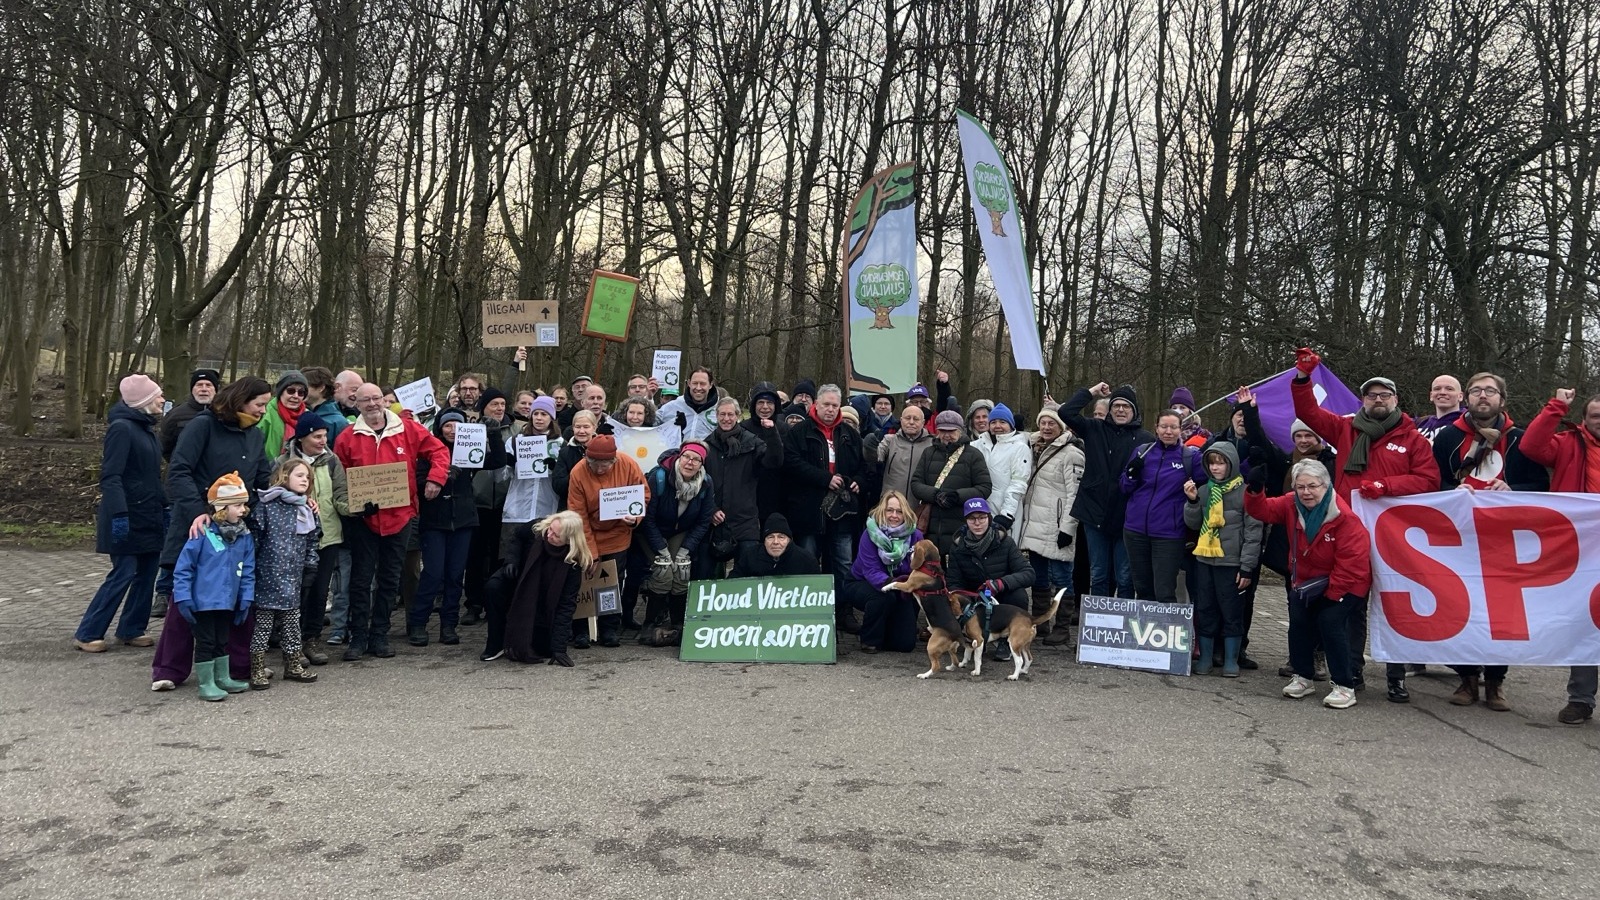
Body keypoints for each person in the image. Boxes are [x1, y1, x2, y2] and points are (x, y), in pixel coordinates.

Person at [1291, 348, 1439, 700]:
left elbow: (1429, 480)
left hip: (1394, 536)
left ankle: (1396, 676)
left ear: (1396, 400)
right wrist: (1302, 378)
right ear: (1363, 400)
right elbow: (1307, 412)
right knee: (1350, 604)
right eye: (1371, 395)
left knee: (1394, 604)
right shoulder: (1345, 428)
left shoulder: (1412, 439)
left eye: (1384, 395)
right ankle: (1352, 671)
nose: (1377, 400)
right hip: (1346, 534)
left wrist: (1386, 486)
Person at [332, 382, 450, 660]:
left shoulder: (408, 429)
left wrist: (436, 478)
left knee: (389, 579)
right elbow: (339, 478)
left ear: (384, 401)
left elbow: (439, 452)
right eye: (365, 400)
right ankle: (358, 636)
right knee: (360, 581)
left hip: (400, 517)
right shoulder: (347, 437)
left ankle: (380, 635)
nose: (372, 404)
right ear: (356, 404)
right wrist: (350, 505)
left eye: (376, 398)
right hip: (364, 519)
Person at [1243, 459, 1372, 709]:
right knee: (1299, 622)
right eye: (1300, 486)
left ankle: (1345, 685)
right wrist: (1255, 489)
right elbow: (1262, 511)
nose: (1306, 492)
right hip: (1306, 581)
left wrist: (1331, 595)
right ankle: (1303, 676)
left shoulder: (1344, 517)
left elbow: (1353, 562)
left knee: (1330, 622)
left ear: (1325, 486)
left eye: (1312, 486)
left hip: (1346, 583)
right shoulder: (1292, 504)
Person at [1520, 386, 1600, 725]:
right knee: (1587, 622)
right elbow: (1531, 445)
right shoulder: (1568, 443)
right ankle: (1581, 699)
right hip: (1581, 549)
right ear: (1583, 421)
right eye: (1596, 416)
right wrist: (1555, 406)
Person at [75, 375, 168, 652]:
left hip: (149, 514)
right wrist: (119, 515)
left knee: (148, 572)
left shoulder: (147, 430)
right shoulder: (122, 429)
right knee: (124, 572)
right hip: (126, 516)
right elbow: (111, 476)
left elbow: (151, 477)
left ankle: (131, 628)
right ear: (143, 401)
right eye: (157, 395)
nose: (162, 400)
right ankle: (88, 632)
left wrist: (164, 507)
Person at [409, 409, 506, 646]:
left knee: (454, 575)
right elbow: (417, 480)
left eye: (456, 425)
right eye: (447, 425)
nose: (452, 430)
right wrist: (440, 475)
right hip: (435, 520)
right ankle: (418, 623)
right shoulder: (427, 451)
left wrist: (493, 435)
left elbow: (497, 461)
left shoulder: (468, 450)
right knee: (432, 574)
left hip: (463, 519)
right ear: (439, 428)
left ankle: (448, 625)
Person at [1061, 383, 1153, 598]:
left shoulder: (1146, 440)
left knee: (1124, 576)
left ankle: (1124, 624)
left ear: (1135, 411)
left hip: (1127, 517)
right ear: (1110, 409)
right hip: (1094, 513)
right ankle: (1098, 623)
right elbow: (1066, 412)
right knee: (1099, 573)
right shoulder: (1094, 428)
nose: (1120, 410)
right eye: (1116, 405)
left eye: (1126, 406)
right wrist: (1091, 392)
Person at [169, 473, 255, 701]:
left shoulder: (244, 537)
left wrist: (245, 597)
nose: (243, 510)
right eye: (237, 505)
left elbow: (247, 570)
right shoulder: (201, 534)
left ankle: (222, 677)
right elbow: (184, 568)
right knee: (206, 641)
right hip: (203, 601)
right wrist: (183, 597)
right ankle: (206, 682)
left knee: (222, 640)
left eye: (243, 504)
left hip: (228, 600)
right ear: (222, 508)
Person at [1182, 443, 1262, 676]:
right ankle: (1205, 658)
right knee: (1205, 608)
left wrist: (1247, 568)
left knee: (1231, 611)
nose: (1216, 468)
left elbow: (1253, 534)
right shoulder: (1204, 490)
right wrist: (1193, 502)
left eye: (1221, 462)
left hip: (1232, 563)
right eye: (1212, 463)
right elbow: (1193, 525)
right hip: (1205, 560)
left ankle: (1231, 660)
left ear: (1232, 463)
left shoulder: (1246, 493)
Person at [566, 433, 648, 647]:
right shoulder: (578, 472)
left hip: (617, 536)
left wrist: (634, 519)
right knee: (583, 582)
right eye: (595, 465)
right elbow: (578, 515)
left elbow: (643, 495)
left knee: (611, 583)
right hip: (586, 533)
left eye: (605, 465)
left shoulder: (628, 464)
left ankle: (609, 629)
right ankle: (581, 630)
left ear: (614, 460)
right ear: (587, 459)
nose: (600, 469)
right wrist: (590, 552)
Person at [246, 459, 322, 688]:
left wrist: (311, 565)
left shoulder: (306, 508)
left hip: (293, 575)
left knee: (292, 622)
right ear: (284, 476)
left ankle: (292, 664)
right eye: (299, 475)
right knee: (264, 624)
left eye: (307, 477)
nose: (304, 480)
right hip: (268, 575)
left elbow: (313, 539)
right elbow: (255, 541)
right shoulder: (267, 506)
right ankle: (257, 667)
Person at [278, 412, 347, 665]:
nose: (323, 440)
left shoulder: (332, 461)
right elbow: (276, 494)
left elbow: (340, 495)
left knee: (319, 591)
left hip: (326, 536)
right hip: (293, 539)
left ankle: (311, 639)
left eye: (325, 435)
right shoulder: (283, 461)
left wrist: (357, 508)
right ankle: (291, 643)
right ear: (303, 436)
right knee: (296, 592)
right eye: (317, 436)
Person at [782, 385, 864, 595]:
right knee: (807, 561)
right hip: (808, 509)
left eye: (834, 405)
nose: (830, 409)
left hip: (842, 512)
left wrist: (858, 481)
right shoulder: (799, 432)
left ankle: (843, 609)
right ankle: (807, 610)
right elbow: (791, 463)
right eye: (826, 404)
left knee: (843, 563)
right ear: (816, 404)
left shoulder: (850, 434)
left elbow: (864, 467)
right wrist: (824, 479)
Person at [1014, 407, 1086, 644]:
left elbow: (1075, 494)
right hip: (1035, 523)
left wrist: (1068, 527)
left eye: (1051, 423)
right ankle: (1041, 622)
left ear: (1061, 426)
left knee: (1063, 577)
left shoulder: (1072, 454)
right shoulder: (1034, 448)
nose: (1046, 427)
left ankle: (1062, 627)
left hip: (1057, 526)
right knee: (1039, 577)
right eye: (1042, 423)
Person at [489, 511, 592, 666]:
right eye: (551, 528)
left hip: (543, 604)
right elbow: (516, 535)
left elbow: (566, 605)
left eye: (556, 536)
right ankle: (495, 644)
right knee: (493, 587)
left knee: (542, 648)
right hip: (520, 577)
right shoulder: (538, 528)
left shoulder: (573, 564)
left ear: (568, 541)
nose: (549, 535)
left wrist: (559, 649)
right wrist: (511, 560)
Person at [1119, 409, 1201, 603]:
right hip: (1135, 530)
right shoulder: (1142, 452)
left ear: (1180, 430)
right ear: (1156, 428)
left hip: (1168, 535)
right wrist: (1131, 474)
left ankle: (1166, 631)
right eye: (1164, 426)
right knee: (1143, 588)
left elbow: (1212, 478)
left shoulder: (1189, 458)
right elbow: (1124, 487)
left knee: (1164, 590)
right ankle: (1143, 632)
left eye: (1173, 427)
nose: (1168, 431)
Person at [638, 441, 716, 635]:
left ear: (702, 464)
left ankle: (678, 623)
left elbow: (704, 521)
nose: (690, 463)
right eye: (686, 457)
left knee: (682, 570)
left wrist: (685, 550)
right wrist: (661, 550)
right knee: (663, 570)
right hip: (651, 529)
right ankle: (650, 623)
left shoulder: (706, 483)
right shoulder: (660, 477)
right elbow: (647, 518)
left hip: (680, 530)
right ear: (680, 457)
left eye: (696, 459)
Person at [945, 497, 1035, 661]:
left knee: (1018, 595)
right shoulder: (957, 547)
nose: (977, 523)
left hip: (1000, 595)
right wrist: (968, 597)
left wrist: (1001, 583)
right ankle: (973, 636)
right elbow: (953, 583)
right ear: (966, 521)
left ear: (989, 518)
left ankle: (1006, 641)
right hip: (974, 599)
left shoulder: (1005, 542)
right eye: (972, 518)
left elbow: (1028, 573)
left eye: (982, 517)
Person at [704, 397, 783, 564]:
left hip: (745, 520)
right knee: (706, 575)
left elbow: (774, 461)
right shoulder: (707, 445)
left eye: (730, 414)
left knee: (747, 573)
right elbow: (701, 484)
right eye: (722, 414)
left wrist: (772, 434)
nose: (726, 419)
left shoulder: (752, 442)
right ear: (716, 416)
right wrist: (711, 509)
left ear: (738, 416)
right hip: (715, 520)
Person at [842, 491, 922, 653]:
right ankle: (869, 639)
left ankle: (889, 630)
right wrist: (894, 584)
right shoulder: (869, 534)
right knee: (882, 597)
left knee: (905, 645)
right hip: (862, 582)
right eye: (889, 510)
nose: (894, 515)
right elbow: (871, 570)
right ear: (882, 511)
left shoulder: (916, 536)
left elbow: (917, 567)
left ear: (906, 512)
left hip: (900, 585)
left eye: (899, 511)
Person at [909, 410, 992, 559]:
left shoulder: (973, 455)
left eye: (951, 431)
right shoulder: (928, 453)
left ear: (960, 430)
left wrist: (957, 496)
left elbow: (984, 487)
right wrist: (935, 495)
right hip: (931, 526)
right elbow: (916, 483)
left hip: (961, 524)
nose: (947, 435)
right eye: (942, 431)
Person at [501, 395, 565, 559]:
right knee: (512, 561)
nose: (539, 418)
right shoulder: (516, 441)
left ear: (551, 417)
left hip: (546, 511)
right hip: (517, 511)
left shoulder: (560, 444)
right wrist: (509, 463)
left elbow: (564, 479)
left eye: (544, 414)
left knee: (539, 561)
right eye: (535, 414)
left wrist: (555, 469)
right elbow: (501, 477)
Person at [972, 403, 1029, 532]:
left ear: (1010, 424)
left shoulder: (1019, 447)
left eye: (1002, 422)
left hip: (1006, 511)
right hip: (981, 510)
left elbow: (1018, 483)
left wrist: (1007, 514)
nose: (997, 426)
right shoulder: (978, 445)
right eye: (993, 422)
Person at [742, 382, 789, 525]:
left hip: (778, 495)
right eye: (760, 402)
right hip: (749, 494)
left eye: (769, 402)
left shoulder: (785, 429)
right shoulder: (743, 428)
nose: (765, 407)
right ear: (754, 405)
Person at [731, 514, 820, 577]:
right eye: (770, 537)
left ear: (789, 540)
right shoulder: (750, 556)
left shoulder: (806, 560)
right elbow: (732, 584)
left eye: (781, 537)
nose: (776, 542)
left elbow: (819, 590)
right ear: (764, 541)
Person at [159, 368, 219, 460]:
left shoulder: (225, 414)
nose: (204, 389)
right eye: (199, 385)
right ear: (192, 389)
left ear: (215, 390)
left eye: (208, 385)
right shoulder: (176, 415)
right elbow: (165, 446)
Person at [658, 367, 722, 440]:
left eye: (702, 384)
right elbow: (648, 421)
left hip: (707, 451)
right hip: (678, 451)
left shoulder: (719, 408)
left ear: (710, 385)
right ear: (689, 383)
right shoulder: (674, 405)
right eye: (695, 383)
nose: (698, 388)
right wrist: (648, 397)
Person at [259, 370, 311, 458]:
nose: (296, 396)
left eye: (301, 392)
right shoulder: (265, 414)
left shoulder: (309, 417)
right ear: (281, 392)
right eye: (290, 391)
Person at [301, 366, 348, 444]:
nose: (301, 391)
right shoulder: (302, 414)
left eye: (305, 387)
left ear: (321, 387)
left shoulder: (338, 423)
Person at [1415, 374, 1465, 442]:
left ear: (1460, 396)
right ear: (1431, 396)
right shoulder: (1420, 423)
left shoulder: (1468, 423)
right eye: (1437, 389)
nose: (1442, 392)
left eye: (1449, 389)